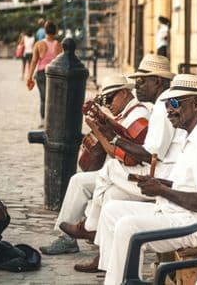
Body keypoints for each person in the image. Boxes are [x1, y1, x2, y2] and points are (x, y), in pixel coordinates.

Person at [93, 74, 197, 284]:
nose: (169, 110)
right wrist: (159, 185)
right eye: (167, 104)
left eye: (175, 103)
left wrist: (161, 190)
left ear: (196, 104)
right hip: (186, 213)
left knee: (127, 227)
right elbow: (191, 185)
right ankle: (115, 276)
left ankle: (122, 279)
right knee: (111, 210)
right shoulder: (194, 133)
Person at [39, 74, 151, 257]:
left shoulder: (139, 115)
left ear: (124, 93)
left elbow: (123, 156)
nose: (107, 105)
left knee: (91, 184)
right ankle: (68, 237)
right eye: (104, 100)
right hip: (123, 171)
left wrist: (98, 130)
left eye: (109, 98)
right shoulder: (128, 114)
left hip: (133, 173)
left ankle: (91, 231)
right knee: (78, 181)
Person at [26, 21, 62, 128]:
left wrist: (29, 76)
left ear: (44, 31)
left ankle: (43, 120)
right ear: (55, 31)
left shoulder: (39, 44)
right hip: (55, 74)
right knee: (54, 98)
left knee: (43, 98)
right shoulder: (58, 45)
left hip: (42, 74)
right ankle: (53, 120)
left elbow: (34, 61)